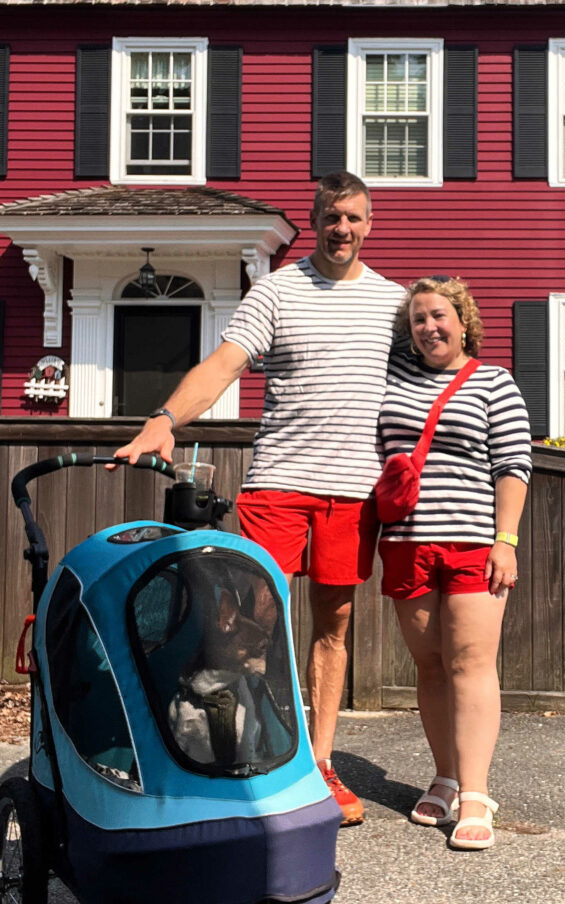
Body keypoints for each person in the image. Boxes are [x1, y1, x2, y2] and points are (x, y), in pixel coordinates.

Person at [114, 171, 404, 825]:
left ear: (369, 223)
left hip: (354, 494)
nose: (343, 229)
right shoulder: (276, 291)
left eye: (354, 217)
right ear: (316, 219)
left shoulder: (393, 302)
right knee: (247, 630)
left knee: (333, 626)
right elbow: (221, 366)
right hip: (279, 485)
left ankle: (320, 764)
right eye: (332, 217)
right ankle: (247, 760)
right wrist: (164, 420)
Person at [377, 276, 531, 850]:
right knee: (431, 664)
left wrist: (506, 539)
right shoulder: (393, 382)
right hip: (405, 543)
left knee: (471, 663)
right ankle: (443, 775)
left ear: (463, 321)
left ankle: (475, 793)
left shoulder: (494, 381)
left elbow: (513, 463)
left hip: (472, 544)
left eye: (438, 315)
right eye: (417, 319)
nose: (428, 327)